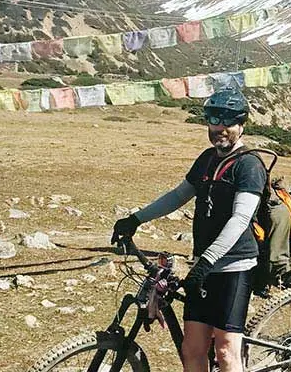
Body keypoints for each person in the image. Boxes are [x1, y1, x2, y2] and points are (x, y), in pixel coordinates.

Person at [111, 90, 268, 372]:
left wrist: (207, 261)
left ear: (241, 124)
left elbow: (240, 219)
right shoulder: (207, 159)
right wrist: (135, 219)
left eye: (227, 123)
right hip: (203, 266)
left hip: (234, 266)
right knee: (191, 349)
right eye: (213, 122)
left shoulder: (249, 165)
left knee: (225, 351)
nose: (219, 129)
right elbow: (178, 196)